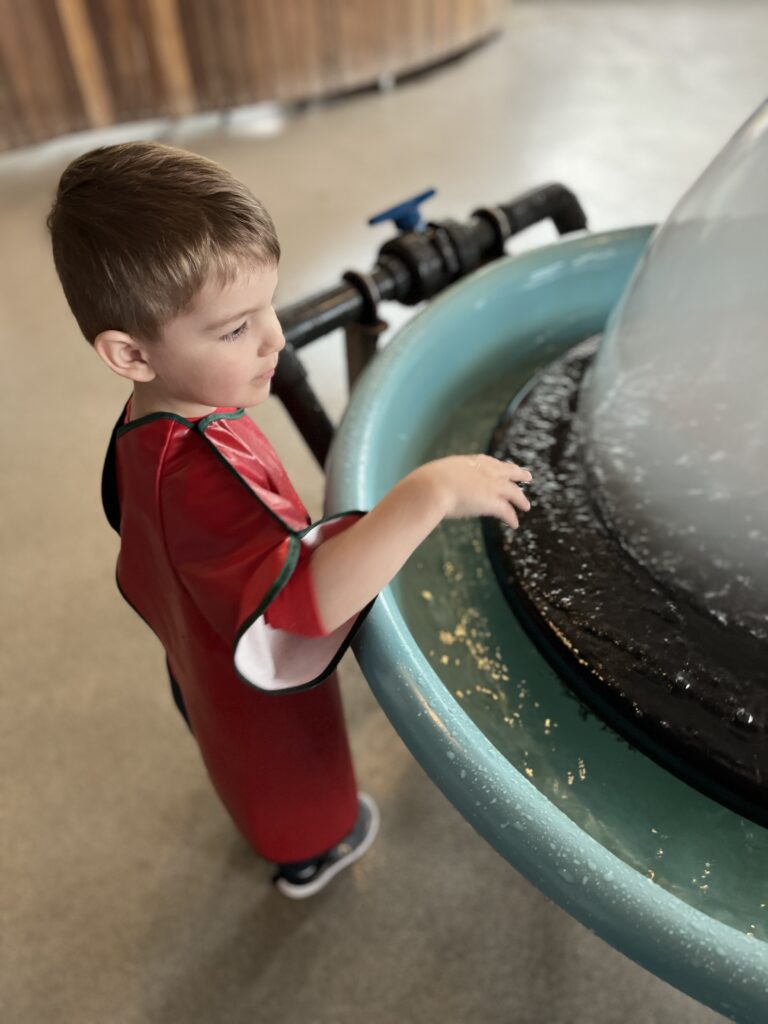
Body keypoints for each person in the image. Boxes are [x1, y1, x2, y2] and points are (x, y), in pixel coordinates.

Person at [47, 141, 532, 899]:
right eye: (235, 329)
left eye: (267, 307)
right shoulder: (201, 476)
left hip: (194, 642)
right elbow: (300, 606)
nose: (275, 338)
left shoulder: (158, 416)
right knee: (292, 776)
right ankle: (310, 855)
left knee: (225, 741)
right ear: (131, 355)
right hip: (251, 690)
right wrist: (428, 494)